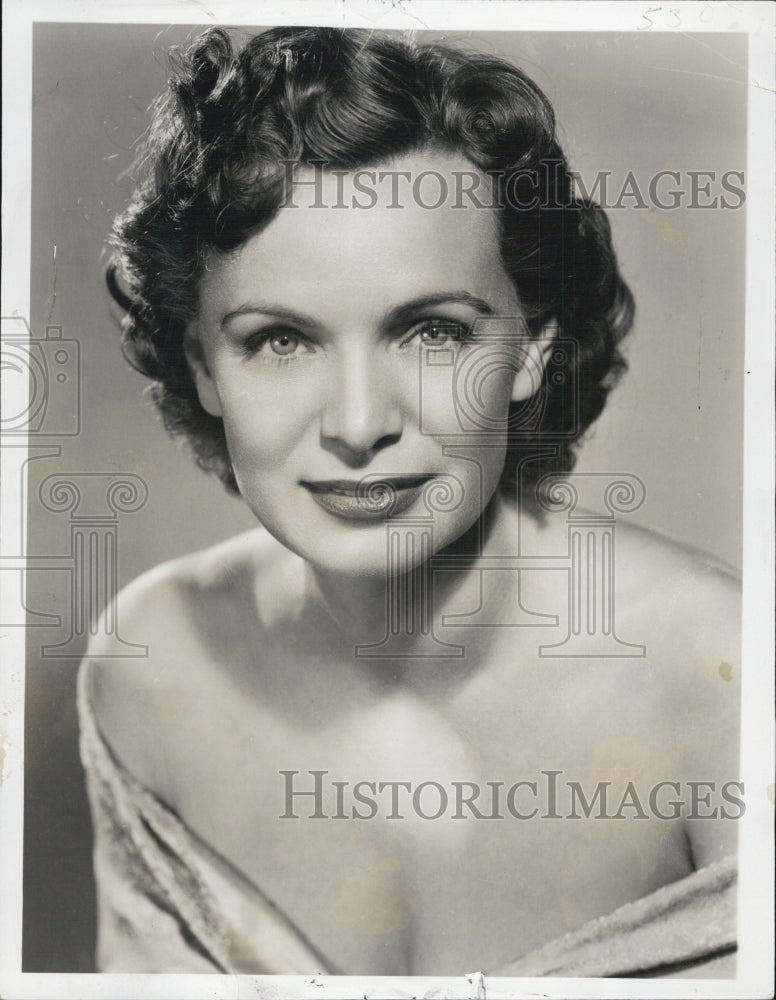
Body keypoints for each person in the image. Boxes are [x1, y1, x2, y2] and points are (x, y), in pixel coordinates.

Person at [79, 26, 740, 978]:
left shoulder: (725, 683)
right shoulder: (153, 665)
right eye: (280, 340)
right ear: (202, 366)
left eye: (431, 333)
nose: (358, 422)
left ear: (534, 346)